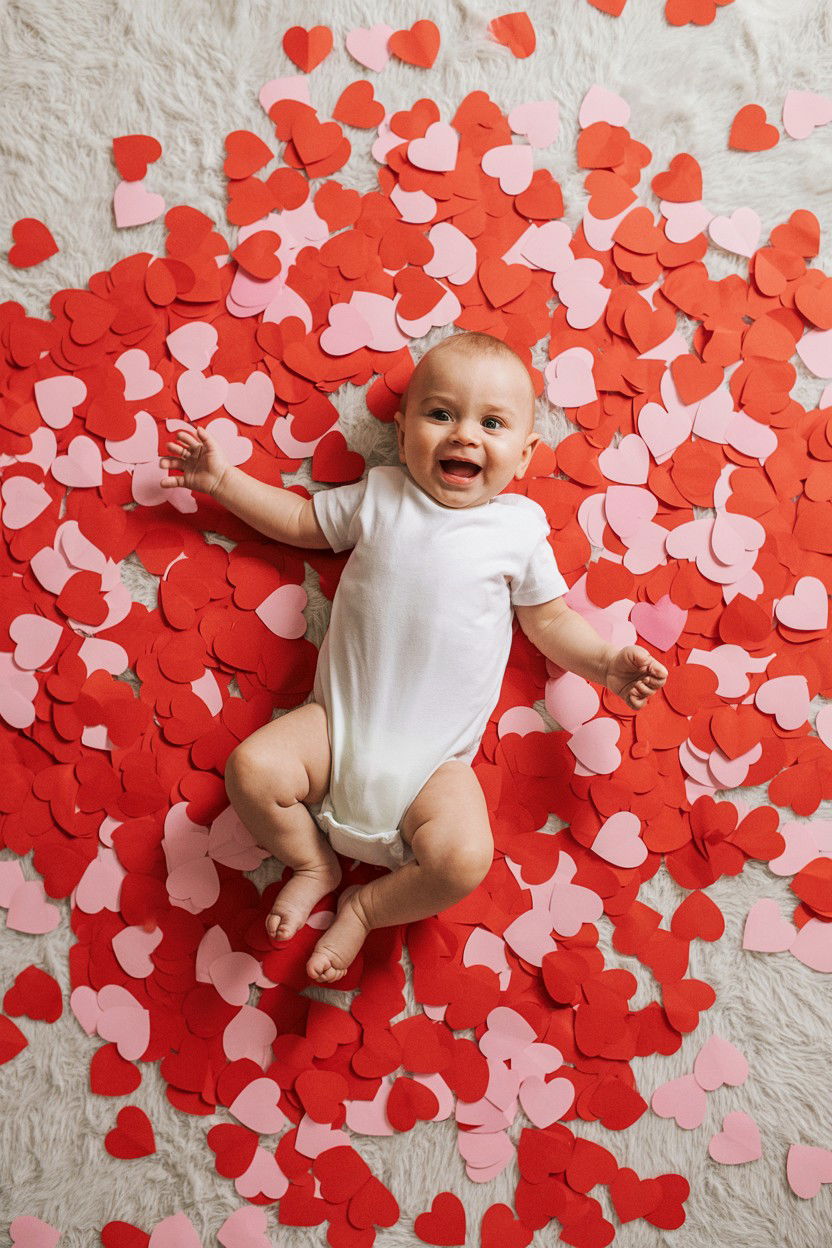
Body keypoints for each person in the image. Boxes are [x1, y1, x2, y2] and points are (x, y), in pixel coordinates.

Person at [159, 331, 668, 985]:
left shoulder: (518, 531)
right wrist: (223, 482)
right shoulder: (381, 496)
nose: (464, 435)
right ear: (401, 435)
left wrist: (602, 664)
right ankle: (314, 863)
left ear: (523, 454)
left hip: (435, 770)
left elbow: (550, 621)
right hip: (334, 731)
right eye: (440, 414)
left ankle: (368, 908)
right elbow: (297, 521)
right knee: (252, 769)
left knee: (463, 860)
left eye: (492, 423)